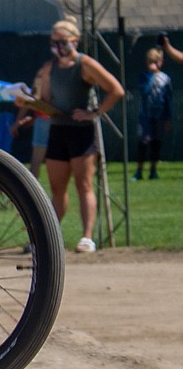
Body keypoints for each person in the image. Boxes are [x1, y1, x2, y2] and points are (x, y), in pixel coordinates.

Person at [34, 17, 124, 254]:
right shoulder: (49, 68)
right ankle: (48, 238)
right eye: (54, 41)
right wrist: (27, 102)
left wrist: (93, 113)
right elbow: (45, 101)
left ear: (75, 41)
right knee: (57, 188)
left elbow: (116, 90)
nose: (57, 46)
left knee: (84, 184)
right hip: (58, 129)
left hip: (80, 132)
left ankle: (87, 237)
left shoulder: (85, 64)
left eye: (62, 41)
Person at [134, 46, 172, 180]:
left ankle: (153, 171)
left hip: (159, 117)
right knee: (143, 143)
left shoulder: (165, 79)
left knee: (156, 144)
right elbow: (144, 92)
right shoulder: (144, 77)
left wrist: (168, 117)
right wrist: (151, 76)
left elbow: (168, 99)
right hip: (146, 117)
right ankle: (139, 171)